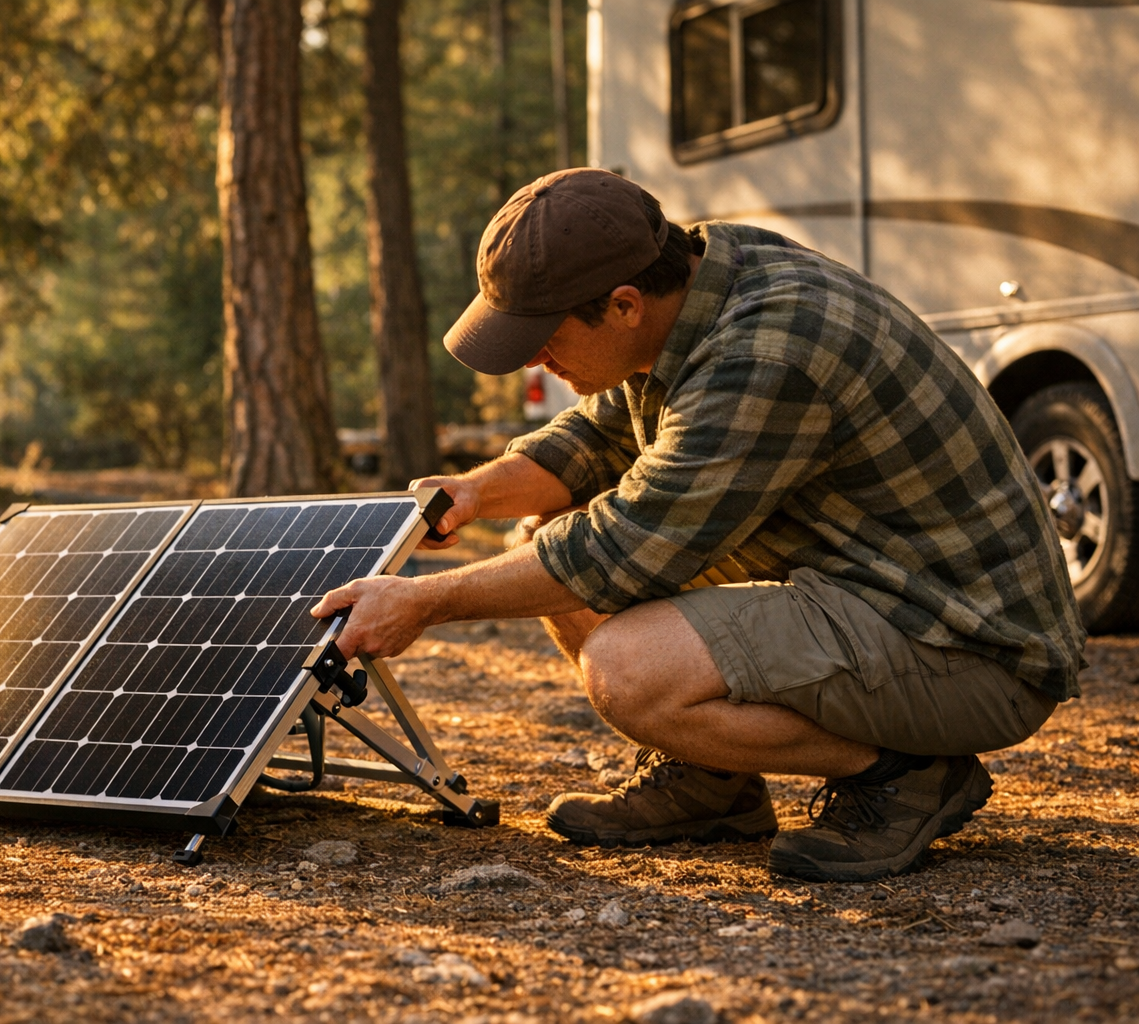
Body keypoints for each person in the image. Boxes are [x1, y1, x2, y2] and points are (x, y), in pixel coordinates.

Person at [311, 168, 1085, 882]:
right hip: (873, 586)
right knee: (549, 533)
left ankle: (908, 774)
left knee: (630, 668)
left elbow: (621, 550)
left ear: (623, 304)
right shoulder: (698, 283)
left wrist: (424, 600)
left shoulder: (766, 352)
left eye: (546, 339)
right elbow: (602, 435)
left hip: (970, 645)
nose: (533, 363)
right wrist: (477, 492)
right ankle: (712, 781)